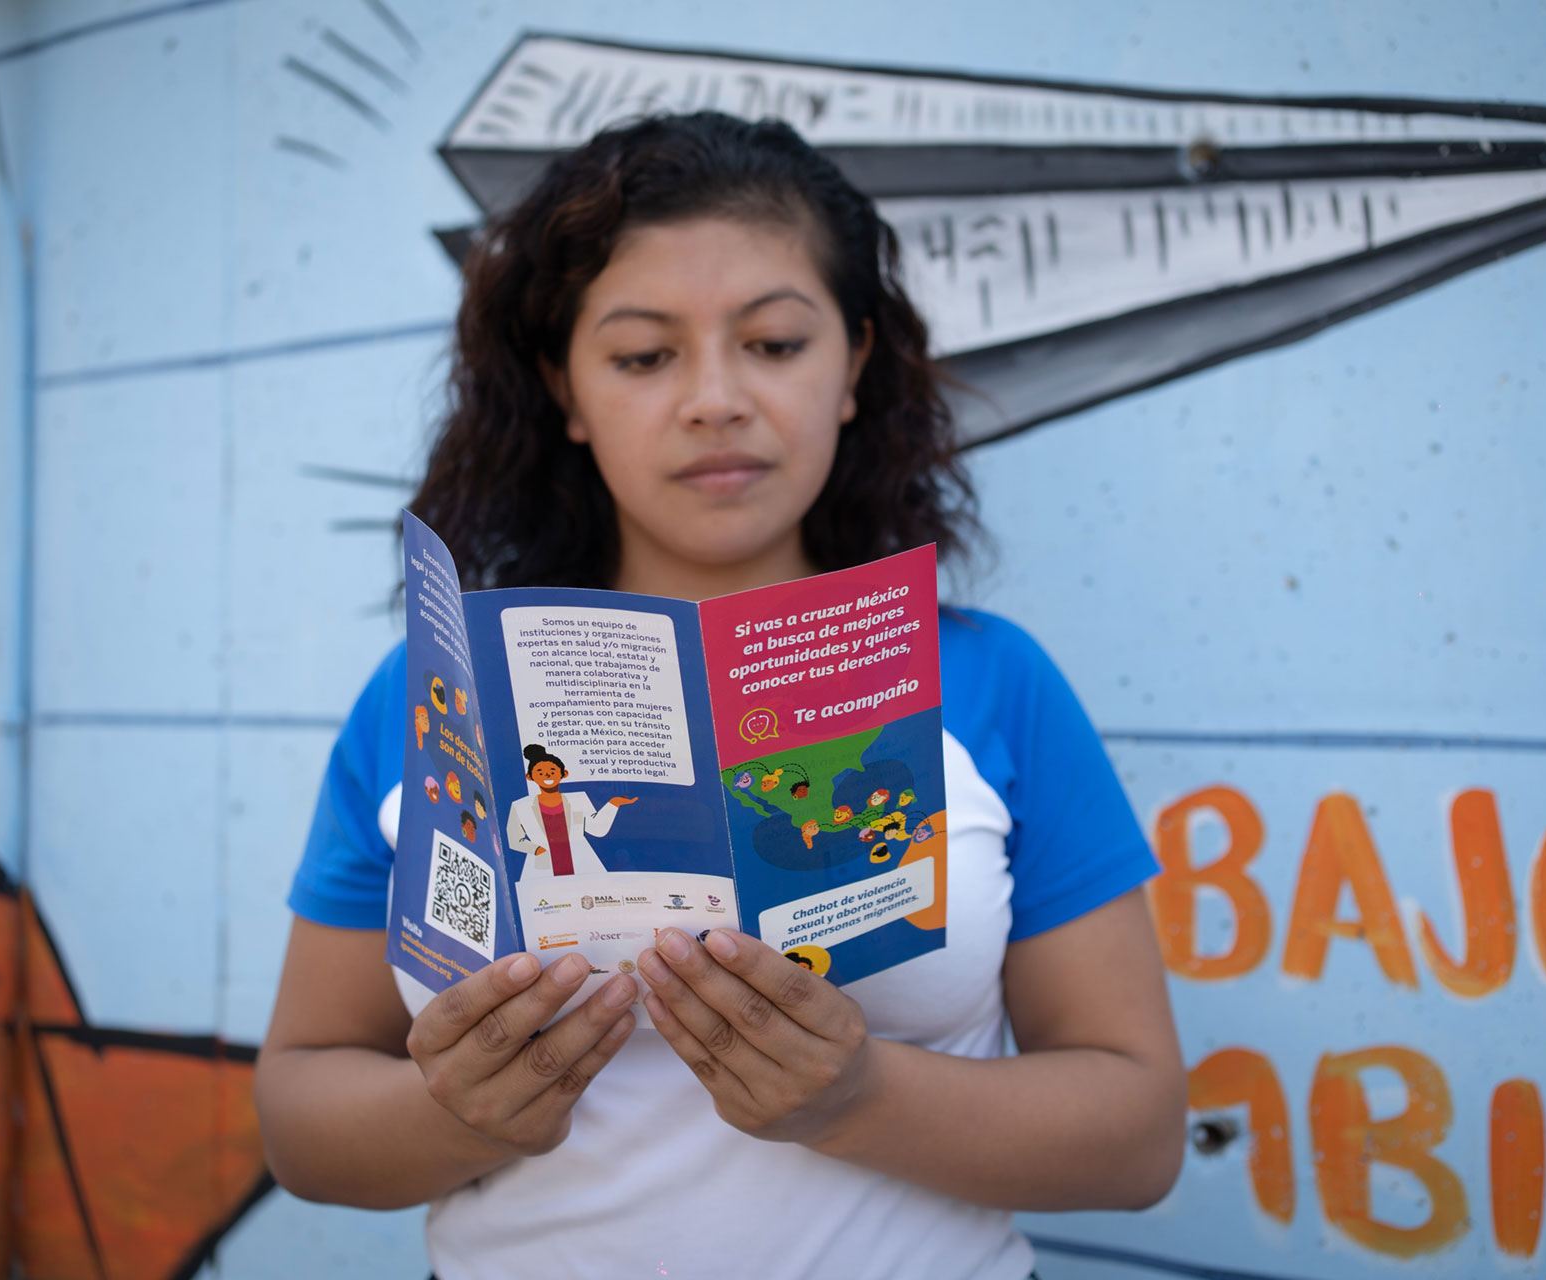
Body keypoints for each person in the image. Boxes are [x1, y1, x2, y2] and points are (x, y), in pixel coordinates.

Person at [256, 111, 1186, 1280]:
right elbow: (300, 1112)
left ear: (853, 365)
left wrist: (857, 1093)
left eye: (775, 344)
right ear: (568, 391)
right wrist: (467, 1110)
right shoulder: (429, 698)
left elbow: (1139, 1133)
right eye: (644, 356)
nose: (713, 399)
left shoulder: (995, 683)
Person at [502, 743, 636, 877]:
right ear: (530, 776)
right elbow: (514, 839)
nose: (547, 775)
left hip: (582, 865)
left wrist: (613, 804)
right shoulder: (521, 806)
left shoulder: (578, 799)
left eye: (552, 771)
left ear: (564, 774)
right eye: (540, 772)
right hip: (542, 868)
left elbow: (597, 830)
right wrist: (537, 850)